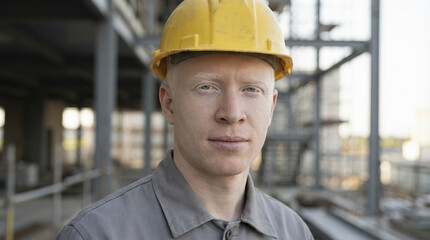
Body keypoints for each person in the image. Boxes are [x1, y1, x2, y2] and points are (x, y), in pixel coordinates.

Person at [57, 0, 314, 239]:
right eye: (206, 87)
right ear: (169, 103)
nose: (232, 113)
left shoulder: (294, 232)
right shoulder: (95, 234)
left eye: (251, 89)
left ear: (271, 108)